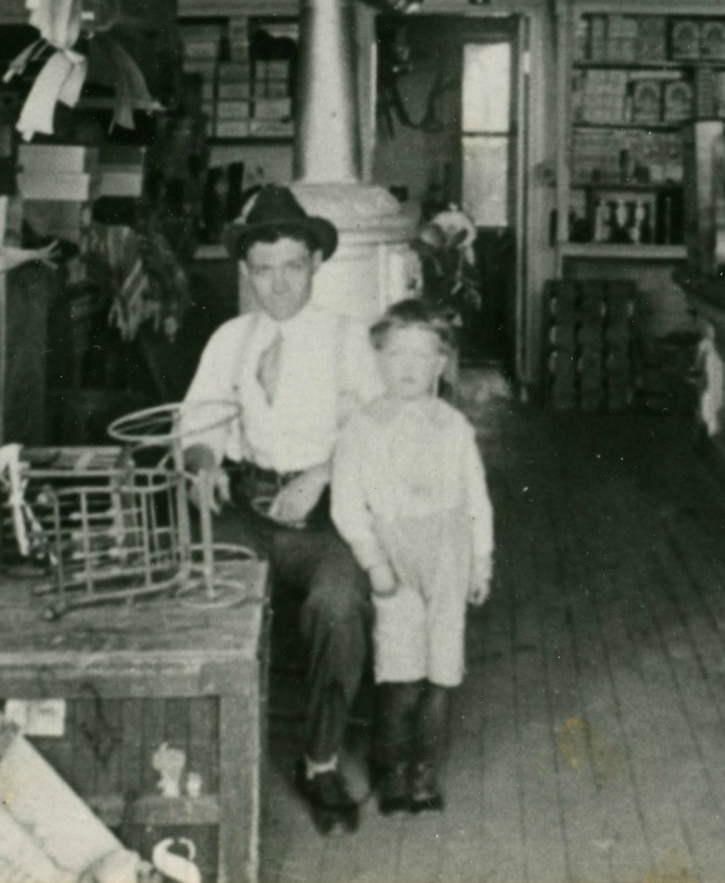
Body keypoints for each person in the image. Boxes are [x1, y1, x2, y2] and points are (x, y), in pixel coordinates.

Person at [180, 185, 385, 835]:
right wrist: (204, 461)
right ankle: (198, 748)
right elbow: (198, 420)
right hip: (245, 511)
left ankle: (319, 759)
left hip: (325, 520)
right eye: (263, 269)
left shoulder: (347, 339)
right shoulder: (230, 339)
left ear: (315, 263)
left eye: (292, 266)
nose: (278, 284)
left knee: (337, 606)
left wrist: (324, 474)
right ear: (247, 270)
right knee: (197, 594)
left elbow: (381, 429)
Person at [328, 300, 492, 816]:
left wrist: (481, 562)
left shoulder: (454, 426)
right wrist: (373, 560)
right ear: (378, 358)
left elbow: (476, 500)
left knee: (441, 670)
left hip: (448, 555)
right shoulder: (362, 427)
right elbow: (346, 504)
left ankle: (425, 771)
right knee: (399, 671)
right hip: (394, 557)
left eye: (422, 356)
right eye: (396, 354)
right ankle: (392, 768)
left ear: (440, 364)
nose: (408, 366)